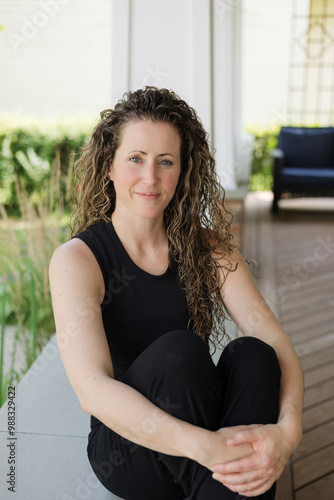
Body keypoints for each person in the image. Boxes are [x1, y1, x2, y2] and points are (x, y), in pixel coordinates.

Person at [49, 87, 304, 500]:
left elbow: (277, 341)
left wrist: (288, 433)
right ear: (109, 167)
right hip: (130, 448)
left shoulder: (208, 247)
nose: (150, 178)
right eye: (136, 159)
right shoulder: (78, 259)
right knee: (181, 352)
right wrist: (206, 447)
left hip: (203, 429)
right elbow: (91, 389)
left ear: (182, 171)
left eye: (165, 162)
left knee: (255, 355)